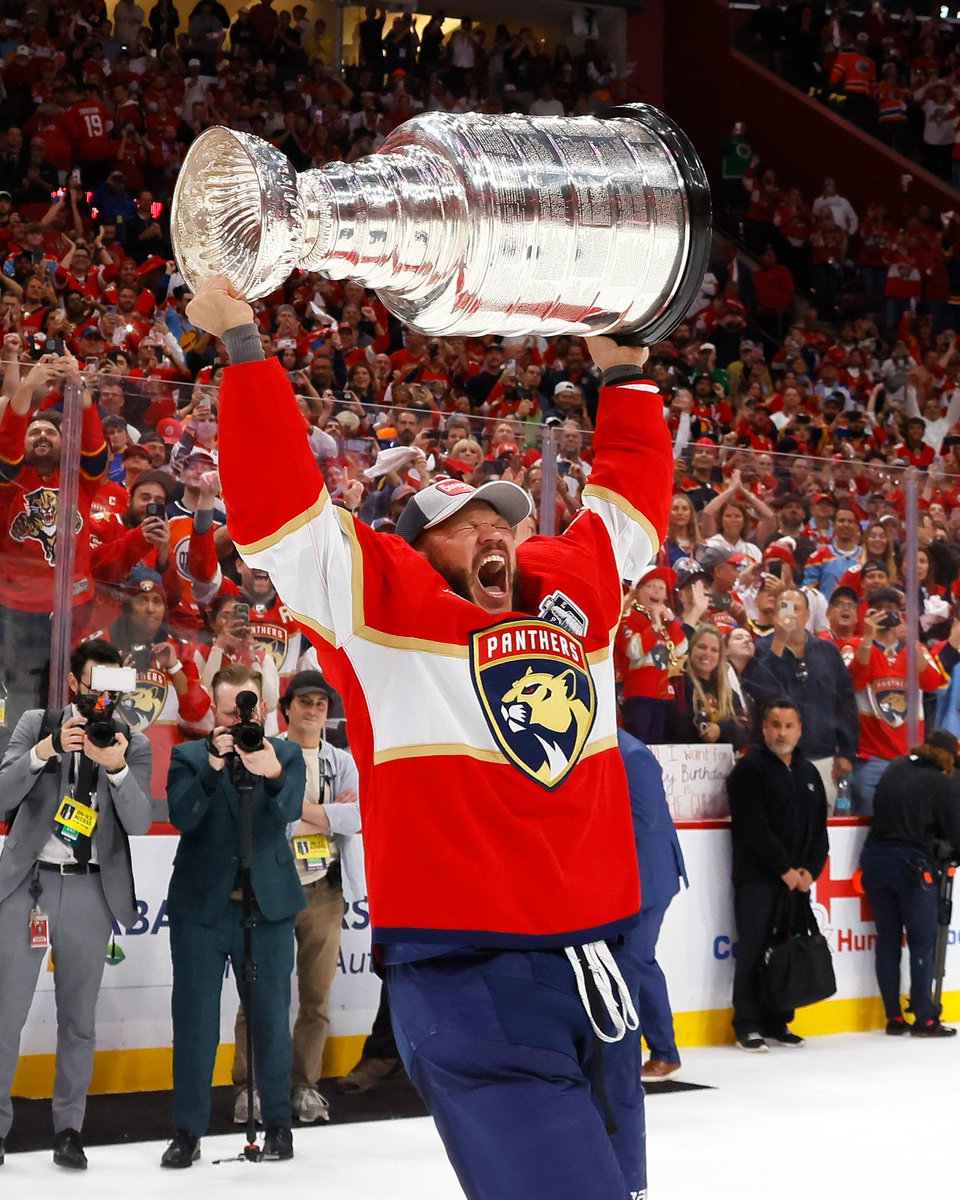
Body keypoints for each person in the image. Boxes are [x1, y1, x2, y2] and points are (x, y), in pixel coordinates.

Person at [186, 280, 672, 1200]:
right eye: (464, 527)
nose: (493, 531)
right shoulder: (379, 606)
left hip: (593, 960)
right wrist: (245, 347)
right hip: (470, 974)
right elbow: (282, 521)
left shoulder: (574, 595)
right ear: (418, 546)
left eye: (501, 517)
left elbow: (629, 512)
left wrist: (624, 371)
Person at [0, 638, 152, 1169]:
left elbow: (139, 821)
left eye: (114, 690)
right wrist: (45, 752)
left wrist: (116, 768)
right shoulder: (37, 722)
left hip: (90, 889)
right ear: (74, 683)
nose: (103, 701)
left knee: (78, 1020)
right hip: (27, 886)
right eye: (95, 687)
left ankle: (68, 1129)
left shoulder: (131, 740)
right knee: (4, 1015)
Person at [160, 664, 306, 1169]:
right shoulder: (186, 755)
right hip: (201, 909)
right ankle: (188, 1131)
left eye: (247, 710)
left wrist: (273, 774)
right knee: (195, 1023)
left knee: (270, 1022)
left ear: (263, 709)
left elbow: (288, 811)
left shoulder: (285, 754)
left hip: (267, 909)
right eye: (227, 713)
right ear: (215, 715)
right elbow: (182, 816)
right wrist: (212, 768)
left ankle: (280, 1126)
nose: (238, 720)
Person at [232, 669, 363, 1126]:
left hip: (325, 890)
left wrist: (304, 812)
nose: (312, 710)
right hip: (271, 885)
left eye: (320, 704)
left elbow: (358, 815)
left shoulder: (341, 760)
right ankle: (250, 1087)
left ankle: (305, 1087)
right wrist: (327, 815)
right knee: (259, 993)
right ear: (286, 708)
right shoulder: (264, 751)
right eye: (304, 702)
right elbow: (268, 818)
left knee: (316, 999)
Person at [726, 697, 828, 1052]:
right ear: (764, 728)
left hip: (797, 882)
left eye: (788, 726)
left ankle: (778, 1020)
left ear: (799, 730)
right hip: (759, 879)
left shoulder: (809, 773)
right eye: (775, 725)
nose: (782, 733)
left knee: (786, 950)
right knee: (754, 950)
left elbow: (819, 830)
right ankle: (747, 1023)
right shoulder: (749, 770)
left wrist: (809, 872)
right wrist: (783, 869)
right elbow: (754, 828)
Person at [860, 728, 960, 1038]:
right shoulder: (939, 782)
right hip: (911, 866)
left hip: (875, 860)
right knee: (920, 941)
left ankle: (893, 1016)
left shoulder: (896, 765)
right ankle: (925, 1018)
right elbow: (956, 832)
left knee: (887, 939)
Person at [615, 730, 687, 1083]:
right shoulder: (610, 749)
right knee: (630, 961)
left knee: (636, 960)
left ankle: (664, 1052)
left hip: (647, 877)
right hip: (630, 878)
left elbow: (645, 823)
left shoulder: (631, 753)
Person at [744, 588, 859, 809]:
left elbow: (845, 704)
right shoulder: (762, 650)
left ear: (808, 615)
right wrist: (778, 643)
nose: (790, 615)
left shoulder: (827, 651)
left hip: (823, 758)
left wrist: (847, 752)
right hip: (776, 760)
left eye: (796, 608)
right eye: (783, 608)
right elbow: (761, 692)